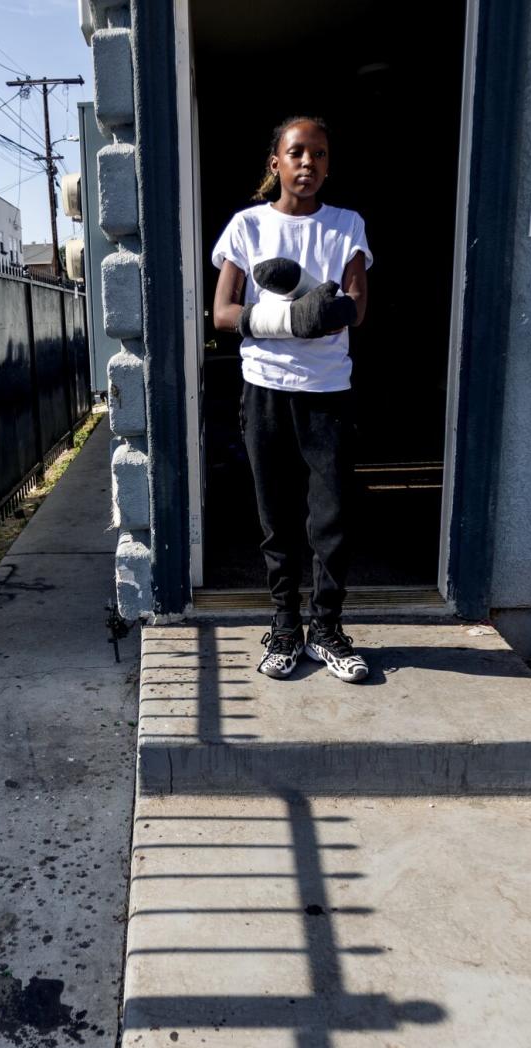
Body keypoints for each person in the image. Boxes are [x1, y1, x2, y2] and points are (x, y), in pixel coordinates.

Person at [211, 115, 372, 682]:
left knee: (332, 519)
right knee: (275, 517)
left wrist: (325, 311)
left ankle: (326, 629)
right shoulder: (247, 226)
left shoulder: (346, 225)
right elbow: (223, 313)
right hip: (265, 393)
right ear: (275, 162)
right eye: (298, 152)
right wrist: (286, 319)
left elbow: (355, 305)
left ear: (329, 164)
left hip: (328, 394)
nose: (309, 164)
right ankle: (284, 626)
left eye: (320, 154)